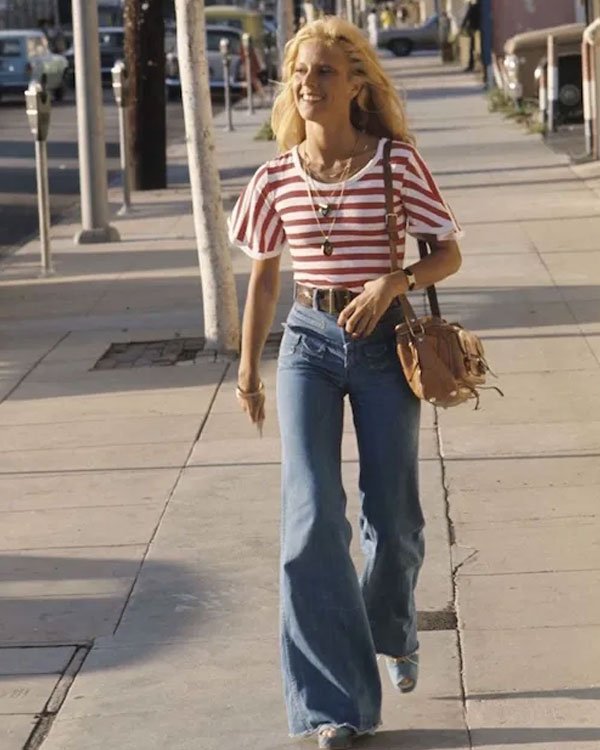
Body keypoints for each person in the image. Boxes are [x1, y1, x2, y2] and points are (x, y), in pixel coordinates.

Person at [228, 16, 462, 750]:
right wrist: (246, 367)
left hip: (386, 347)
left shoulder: (395, 164)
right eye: (299, 72)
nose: (307, 84)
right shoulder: (274, 178)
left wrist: (394, 280)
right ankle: (335, 706)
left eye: (324, 71)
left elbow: (448, 254)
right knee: (310, 517)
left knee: (392, 519)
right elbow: (264, 278)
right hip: (307, 347)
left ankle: (390, 625)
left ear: (357, 83)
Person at [460, 0, 481, 72]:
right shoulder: (480, 8)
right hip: (479, 30)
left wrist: (462, 27)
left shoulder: (473, 7)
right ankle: (478, 65)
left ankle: (472, 65)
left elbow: (467, 18)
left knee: (472, 48)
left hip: (473, 29)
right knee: (476, 48)